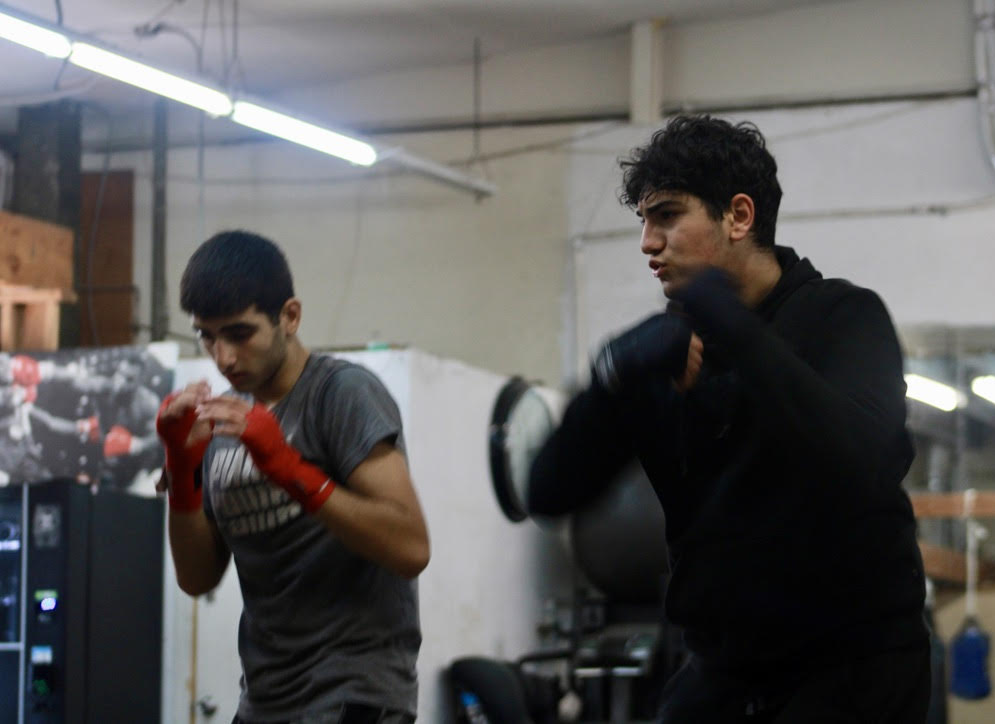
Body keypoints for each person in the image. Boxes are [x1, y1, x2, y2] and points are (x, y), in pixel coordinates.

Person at [528, 115, 929, 722]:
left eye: (667, 215)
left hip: (853, 672)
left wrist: (727, 322)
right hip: (722, 672)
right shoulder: (669, 351)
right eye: (643, 221)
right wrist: (609, 377)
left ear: (739, 217)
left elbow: (858, 464)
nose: (647, 242)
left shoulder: (842, 318)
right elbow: (550, 490)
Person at [157, 231, 429, 724]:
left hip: (354, 691)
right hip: (263, 698)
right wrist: (180, 468)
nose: (223, 357)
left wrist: (288, 468)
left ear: (290, 316)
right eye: (207, 336)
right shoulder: (227, 421)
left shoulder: (341, 394)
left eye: (240, 334)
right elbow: (197, 577)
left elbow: (410, 548)